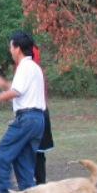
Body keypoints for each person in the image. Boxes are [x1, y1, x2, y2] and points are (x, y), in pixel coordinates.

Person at [0, 31, 46, 193]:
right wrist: (3, 84)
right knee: (22, 158)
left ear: (17, 48)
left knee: (2, 153)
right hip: (38, 120)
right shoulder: (33, 67)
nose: (10, 50)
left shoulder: (24, 67)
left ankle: (2, 191)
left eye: (11, 46)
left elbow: (16, 92)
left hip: (27, 118)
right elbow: (20, 88)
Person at [31, 45, 54, 185]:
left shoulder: (34, 72)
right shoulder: (36, 71)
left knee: (37, 153)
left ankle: (39, 183)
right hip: (39, 113)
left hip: (38, 114)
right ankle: (38, 182)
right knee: (35, 153)